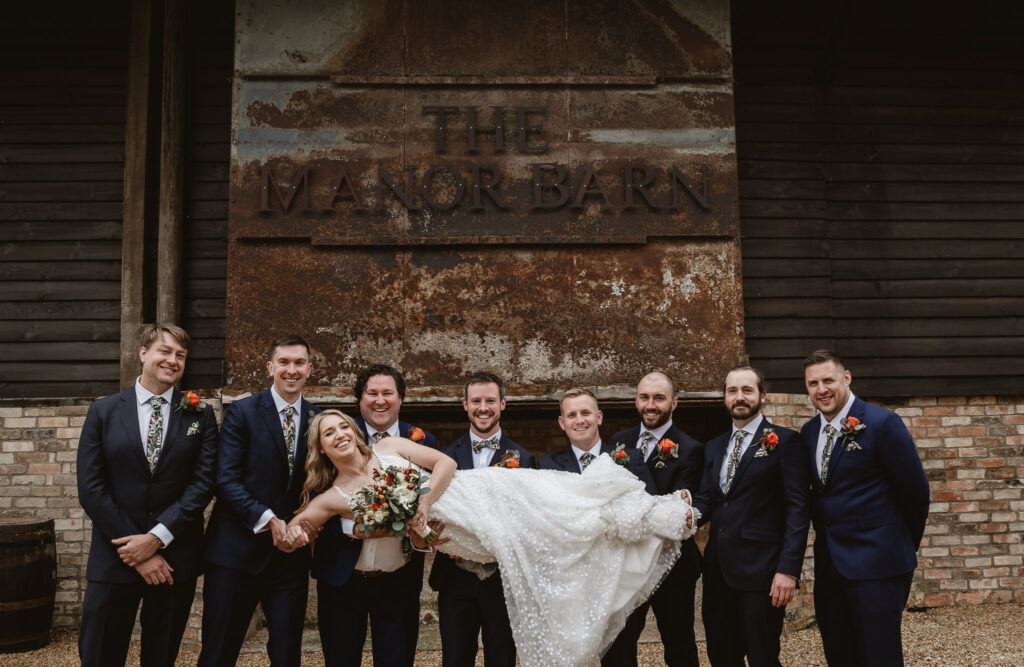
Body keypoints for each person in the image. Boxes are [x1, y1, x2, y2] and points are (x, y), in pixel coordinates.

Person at [289, 410, 698, 667]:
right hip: (459, 533)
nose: (341, 433)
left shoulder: (390, 446)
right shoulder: (332, 498)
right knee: (554, 533)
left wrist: (425, 502)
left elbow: (445, 462)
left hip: (472, 491)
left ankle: (660, 512)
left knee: (563, 506)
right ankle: (648, 520)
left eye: (344, 425)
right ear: (321, 448)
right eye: (330, 433)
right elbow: (298, 526)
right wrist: (290, 534)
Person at [76, 323, 218, 667]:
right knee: (99, 654)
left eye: (180, 355)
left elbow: (203, 484)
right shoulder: (104, 412)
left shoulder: (200, 412)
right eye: (164, 351)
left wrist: (156, 539)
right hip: (115, 556)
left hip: (174, 559)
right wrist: (136, 550)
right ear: (143, 354)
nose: (172, 360)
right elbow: (91, 488)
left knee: (161, 655)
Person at [801, 350, 930, 666]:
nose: (822, 389)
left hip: (879, 566)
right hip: (831, 567)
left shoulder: (883, 422)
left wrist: (898, 545)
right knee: (839, 653)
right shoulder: (808, 433)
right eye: (813, 383)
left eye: (828, 380)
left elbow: (916, 493)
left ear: (846, 377)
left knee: (879, 656)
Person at [198, 335, 320, 667]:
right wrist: (267, 519)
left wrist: (306, 525)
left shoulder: (319, 420)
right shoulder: (242, 413)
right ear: (270, 368)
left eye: (299, 363)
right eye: (284, 362)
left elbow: (321, 486)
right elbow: (225, 479)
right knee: (219, 650)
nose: (291, 370)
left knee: (286, 653)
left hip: (289, 559)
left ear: (310, 369)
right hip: (235, 553)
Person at [314, 363, 437, 665]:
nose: (380, 400)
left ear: (400, 399)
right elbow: (313, 496)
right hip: (342, 576)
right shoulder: (336, 434)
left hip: (398, 578)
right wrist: (351, 528)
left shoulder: (422, 440)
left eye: (388, 393)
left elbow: (432, 498)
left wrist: (423, 530)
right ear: (360, 399)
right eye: (372, 393)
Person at [693, 366, 810, 667]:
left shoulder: (785, 442)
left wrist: (788, 570)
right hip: (718, 570)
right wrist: (686, 511)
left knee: (762, 657)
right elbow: (709, 499)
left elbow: (798, 509)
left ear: (762, 395)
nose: (739, 397)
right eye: (732, 391)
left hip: (762, 573)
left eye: (747, 390)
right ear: (725, 398)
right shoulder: (714, 446)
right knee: (721, 656)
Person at [428, 372, 533, 667]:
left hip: (502, 578)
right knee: (455, 657)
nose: (483, 408)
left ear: (502, 404)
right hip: (455, 576)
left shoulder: (524, 458)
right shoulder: (443, 457)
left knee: (501, 658)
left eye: (490, 401)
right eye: (476, 401)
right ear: (465, 404)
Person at [606, 372, 705, 667]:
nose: (651, 405)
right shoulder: (619, 442)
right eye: (644, 397)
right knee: (619, 645)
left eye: (659, 398)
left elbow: (676, 514)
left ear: (673, 403)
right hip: (628, 563)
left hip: (672, 565)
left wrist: (637, 510)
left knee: (679, 644)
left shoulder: (690, 449)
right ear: (636, 400)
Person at [538, 387, 656, 495]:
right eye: (572, 415)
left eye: (585, 413)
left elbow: (651, 506)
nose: (579, 420)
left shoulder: (632, 460)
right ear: (562, 423)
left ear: (599, 417)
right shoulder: (547, 465)